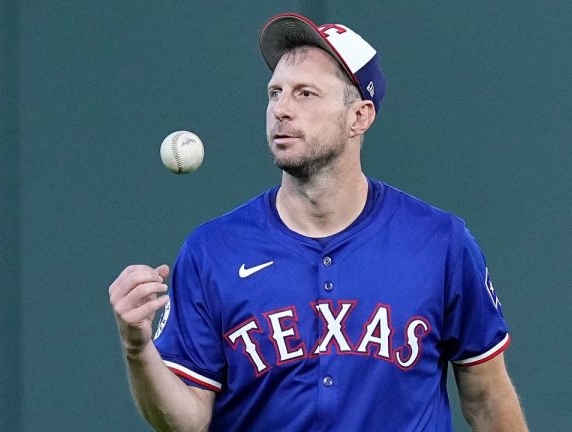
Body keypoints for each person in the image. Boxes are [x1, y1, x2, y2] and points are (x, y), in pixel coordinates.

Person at [109, 12, 528, 432]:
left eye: (305, 94)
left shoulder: (440, 244)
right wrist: (137, 348)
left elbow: (488, 400)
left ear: (359, 117)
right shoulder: (211, 251)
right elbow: (185, 420)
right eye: (275, 93)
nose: (281, 110)